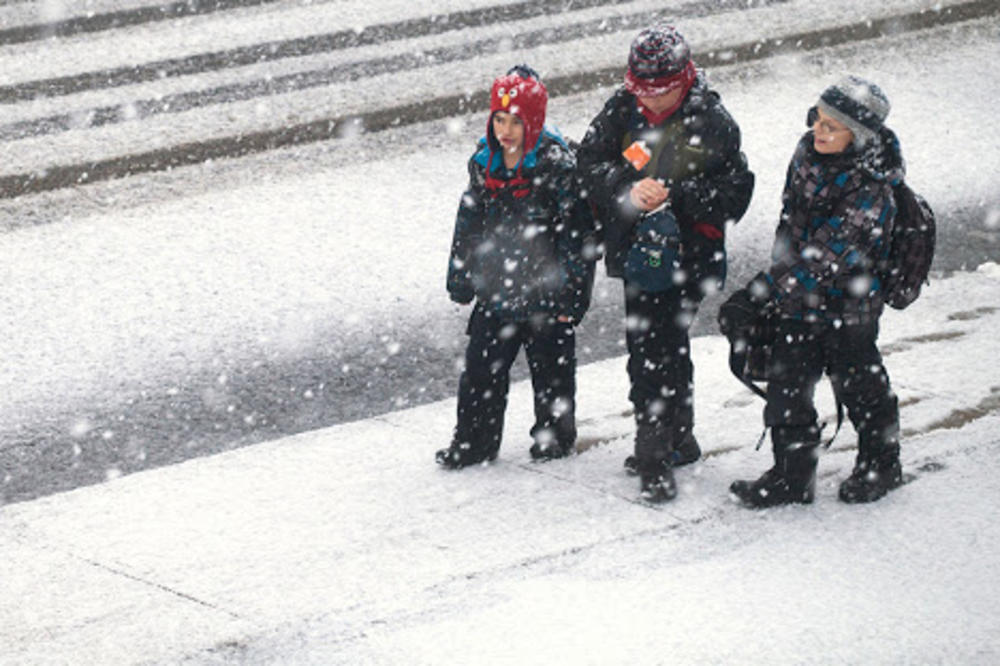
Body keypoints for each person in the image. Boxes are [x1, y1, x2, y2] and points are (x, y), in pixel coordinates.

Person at [577, 26, 754, 501]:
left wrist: (676, 194)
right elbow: (588, 161)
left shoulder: (712, 120)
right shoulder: (621, 108)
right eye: (642, 92)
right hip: (640, 255)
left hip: (688, 256)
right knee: (658, 346)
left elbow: (736, 193)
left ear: (685, 78)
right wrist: (627, 190)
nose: (651, 103)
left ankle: (655, 453)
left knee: (657, 348)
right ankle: (677, 438)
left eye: (663, 92)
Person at [721, 75, 906, 507]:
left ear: (857, 137)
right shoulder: (806, 154)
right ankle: (792, 474)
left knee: (859, 386)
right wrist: (778, 283)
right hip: (797, 301)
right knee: (788, 386)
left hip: (850, 306)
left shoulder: (872, 189)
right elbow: (791, 227)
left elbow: (826, 254)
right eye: (818, 119)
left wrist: (762, 290)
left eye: (832, 126)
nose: (818, 131)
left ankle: (881, 462)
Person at [436, 65, 597, 469]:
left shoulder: (556, 168)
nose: (505, 130)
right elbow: (468, 222)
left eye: (515, 122)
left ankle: (554, 437)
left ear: (534, 122)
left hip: (547, 290)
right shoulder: (484, 164)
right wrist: (461, 275)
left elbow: (577, 238)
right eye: (499, 120)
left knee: (552, 371)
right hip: (496, 287)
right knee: (481, 370)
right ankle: (474, 441)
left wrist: (573, 295)